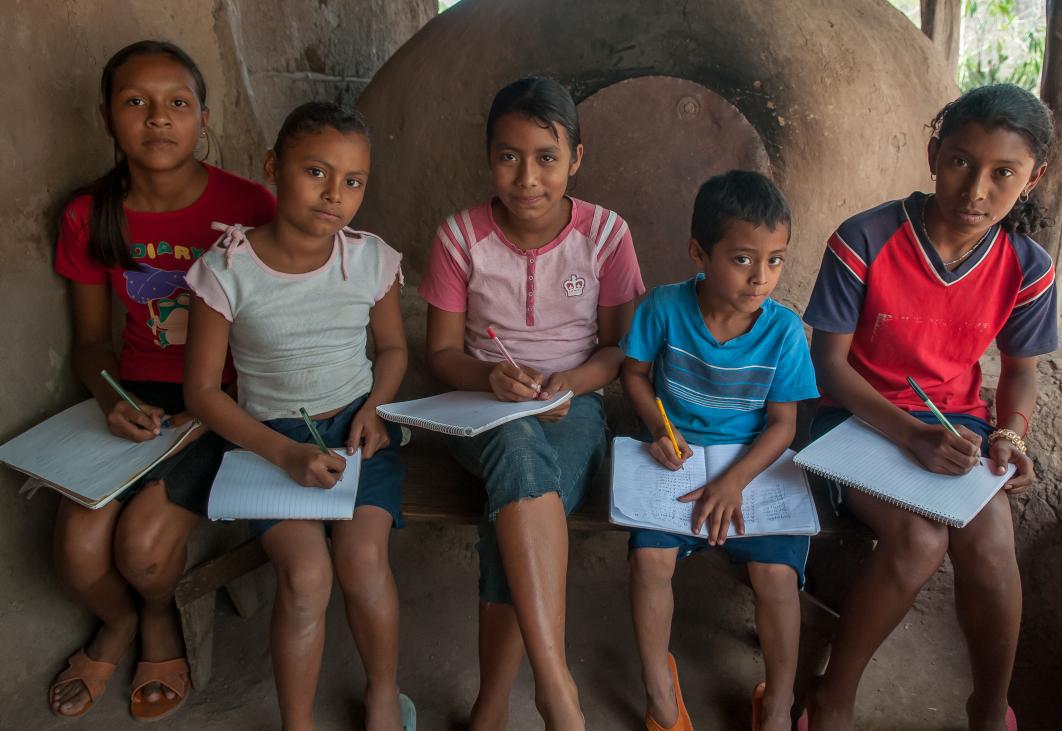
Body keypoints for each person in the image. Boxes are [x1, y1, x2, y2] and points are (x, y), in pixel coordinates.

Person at [803, 84, 1057, 731]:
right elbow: (828, 364)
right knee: (919, 539)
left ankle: (987, 705)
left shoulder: (1027, 268)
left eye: (1004, 173)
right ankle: (834, 694)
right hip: (851, 418)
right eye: (960, 162)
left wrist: (1010, 433)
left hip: (955, 425)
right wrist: (910, 434)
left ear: (1035, 178)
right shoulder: (864, 239)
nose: (976, 190)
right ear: (933, 154)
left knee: (993, 544)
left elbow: (1020, 372)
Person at [50, 40, 275, 721]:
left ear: (203, 118)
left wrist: (215, 408)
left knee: (143, 549)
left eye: (177, 104)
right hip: (139, 396)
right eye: (136, 104)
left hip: (231, 398)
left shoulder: (248, 206)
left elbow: (276, 333)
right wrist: (111, 400)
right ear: (106, 118)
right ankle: (118, 621)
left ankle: (155, 619)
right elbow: (91, 343)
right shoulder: (89, 216)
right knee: (78, 547)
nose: (157, 119)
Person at [419, 76, 645, 730]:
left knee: (510, 507)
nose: (527, 177)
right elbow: (441, 355)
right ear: (488, 157)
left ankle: (492, 705)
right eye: (508, 156)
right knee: (514, 446)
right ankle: (556, 688)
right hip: (476, 410)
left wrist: (568, 384)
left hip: (576, 409)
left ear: (577, 157)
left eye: (546, 157)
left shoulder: (605, 234)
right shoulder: (460, 236)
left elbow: (615, 349)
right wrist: (491, 378)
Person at [184, 101, 412, 731]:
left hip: (359, 433)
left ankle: (384, 695)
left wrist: (373, 408)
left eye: (354, 181)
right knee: (307, 575)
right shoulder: (227, 270)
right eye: (316, 172)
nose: (334, 195)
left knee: (363, 563)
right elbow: (202, 392)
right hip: (266, 443)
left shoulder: (370, 260)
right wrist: (282, 453)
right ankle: (298, 723)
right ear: (272, 167)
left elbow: (392, 349)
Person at [620, 170, 818, 731]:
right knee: (649, 561)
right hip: (676, 462)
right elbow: (634, 375)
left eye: (776, 260)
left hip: (754, 466)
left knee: (776, 578)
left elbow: (783, 424)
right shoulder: (663, 308)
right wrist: (658, 425)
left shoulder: (783, 332)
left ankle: (777, 703)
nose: (761, 278)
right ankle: (660, 690)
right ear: (699, 253)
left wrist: (735, 482)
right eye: (743, 259)